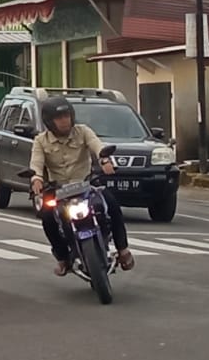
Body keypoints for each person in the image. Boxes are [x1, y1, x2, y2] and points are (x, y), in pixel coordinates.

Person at [29, 96, 134, 276]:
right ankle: (62, 258)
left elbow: (97, 146)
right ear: (49, 121)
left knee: (112, 204)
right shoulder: (41, 141)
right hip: (58, 190)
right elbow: (36, 163)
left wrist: (105, 159)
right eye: (59, 118)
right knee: (47, 217)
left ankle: (123, 251)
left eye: (67, 116)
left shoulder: (83, 131)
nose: (64, 121)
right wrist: (36, 179)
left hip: (86, 185)